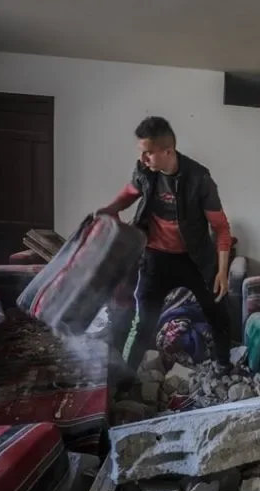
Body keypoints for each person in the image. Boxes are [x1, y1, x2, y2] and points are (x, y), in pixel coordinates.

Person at [96, 116, 233, 373]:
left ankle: (224, 366)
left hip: (195, 260)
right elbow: (130, 193)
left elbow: (221, 228)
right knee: (142, 323)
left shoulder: (199, 178)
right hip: (156, 258)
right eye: (142, 153)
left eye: (148, 153)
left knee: (219, 315)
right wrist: (110, 208)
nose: (144, 158)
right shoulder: (145, 171)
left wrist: (222, 271)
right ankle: (126, 379)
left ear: (168, 151)